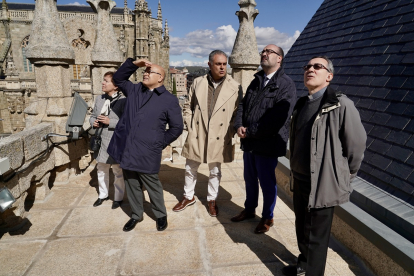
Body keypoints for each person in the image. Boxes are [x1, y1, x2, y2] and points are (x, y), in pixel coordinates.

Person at [282, 56, 366, 276]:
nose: (310, 69)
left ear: (329, 76)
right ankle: (303, 266)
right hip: (299, 178)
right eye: (307, 66)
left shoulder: (340, 104)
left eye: (317, 66)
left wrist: (346, 175)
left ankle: (312, 273)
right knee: (302, 227)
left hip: (322, 182)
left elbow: (356, 145)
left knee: (317, 237)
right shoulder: (302, 104)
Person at [107, 58, 183, 232]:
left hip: (148, 150)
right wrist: (134, 65)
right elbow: (118, 79)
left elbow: (177, 127)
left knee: (152, 184)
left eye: (150, 72)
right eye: (145, 72)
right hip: (127, 148)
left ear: (161, 78)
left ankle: (160, 214)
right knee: (131, 182)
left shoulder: (169, 100)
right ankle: (136, 214)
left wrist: (159, 143)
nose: (146, 73)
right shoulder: (134, 90)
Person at [231, 44, 297, 234]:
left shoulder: (286, 85)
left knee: (267, 183)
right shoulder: (257, 80)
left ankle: (268, 217)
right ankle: (250, 210)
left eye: (270, 52)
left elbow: (277, 119)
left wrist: (249, 131)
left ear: (279, 58)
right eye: (263, 51)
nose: (265, 54)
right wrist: (238, 125)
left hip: (268, 144)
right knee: (250, 179)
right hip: (250, 142)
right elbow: (243, 105)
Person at [173, 50, 243, 217]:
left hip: (220, 134)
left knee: (215, 170)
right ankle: (188, 196)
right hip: (198, 131)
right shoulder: (198, 82)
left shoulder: (235, 87)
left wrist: (231, 130)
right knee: (191, 167)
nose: (222, 67)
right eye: (218, 64)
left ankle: (212, 199)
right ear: (209, 64)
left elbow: (238, 113)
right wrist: (191, 126)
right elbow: (188, 106)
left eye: (224, 64)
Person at [90, 71, 126, 209]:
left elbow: (127, 123)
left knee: (118, 170)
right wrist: (93, 122)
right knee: (101, 168)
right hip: (100, 139)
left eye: (106, 81)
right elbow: (92, 115)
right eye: (103, 80)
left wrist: (110, 121)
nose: (103, 83)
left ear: (116, 86)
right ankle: (102, 195)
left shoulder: (124, 100)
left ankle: (118, 198)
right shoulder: (99, 99)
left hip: (115, 140)